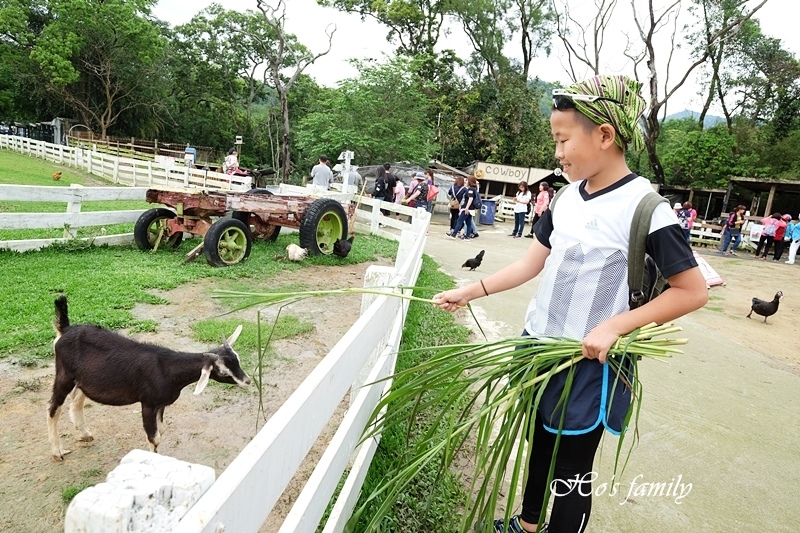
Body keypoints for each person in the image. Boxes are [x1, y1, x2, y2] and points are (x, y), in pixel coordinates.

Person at [433, 75, 707, 533]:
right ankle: (528, 523)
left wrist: (615, 327)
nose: (557, 154)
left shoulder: (647, 208)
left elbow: (691, 290)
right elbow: (529, 265)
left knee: (572, 471)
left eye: (563, 140)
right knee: (539, 441)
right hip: (541, 349)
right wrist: (470, 290)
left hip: (589, 364)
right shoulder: (563, 199)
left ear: (604, 135)